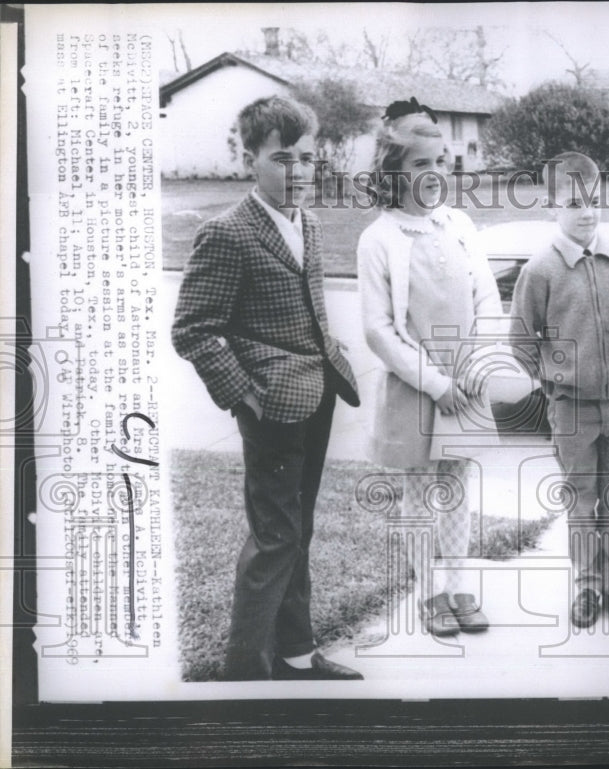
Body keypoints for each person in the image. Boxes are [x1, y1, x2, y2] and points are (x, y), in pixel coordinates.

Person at [172, 96, 364, 681]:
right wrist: (244, 394)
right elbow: (193, 329)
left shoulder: (310, 223)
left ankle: (296, 654)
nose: (298, 171)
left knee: (298, 529)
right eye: (282, 159)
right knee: (276, 535)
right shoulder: (227, 233)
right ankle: (245, 671)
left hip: (317, 392)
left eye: (306, 158)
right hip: (269, 406)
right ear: (249, 159)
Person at [357, 98, 503, 637]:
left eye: (442, 161)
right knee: (419, 493)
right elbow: (379, 330)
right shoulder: (380, 238)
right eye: (421, 164)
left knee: (458, 486)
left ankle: (460, 586)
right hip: (418, 386)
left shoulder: (459, 224)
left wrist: (477, 363)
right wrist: (436, 384)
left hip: (466, 383)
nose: (436, 172)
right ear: (393, 173)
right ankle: (430, 593)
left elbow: (487, 298)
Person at [509, 151, 609, 629]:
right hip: (571, 408)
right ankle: (587, 585)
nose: (587, 211)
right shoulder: (540, 270)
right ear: (552, 206)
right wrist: (556, 382)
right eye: (573, 203)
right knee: (581, 499)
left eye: (594, 200)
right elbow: (521, 341)